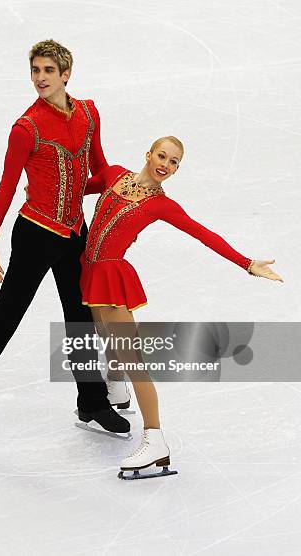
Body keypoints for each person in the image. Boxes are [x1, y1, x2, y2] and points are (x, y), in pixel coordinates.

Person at [0, 39, 130, 456]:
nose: (40, 78)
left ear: (66, 74)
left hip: (76, 230)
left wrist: (124, 181)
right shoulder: (27, 128)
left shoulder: (89, 113)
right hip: (36, 233)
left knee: (80, 317)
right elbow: (6, 186)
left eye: (48, 71)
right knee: (5, 318)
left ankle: (91, 402)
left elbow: (97, 168)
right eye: (35, 71)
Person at [79, 136, 283, 477]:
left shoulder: (161, 205)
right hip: (89, 267)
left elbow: (202, 233)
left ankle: (155, 439)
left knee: (131, 356)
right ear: (148, 154)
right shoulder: (114, 175)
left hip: (112, 275)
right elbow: (79, 190)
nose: (166, 165)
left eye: (174, 162)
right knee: (105, 334)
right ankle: (115, 385)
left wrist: (247, 263)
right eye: (162, 156)